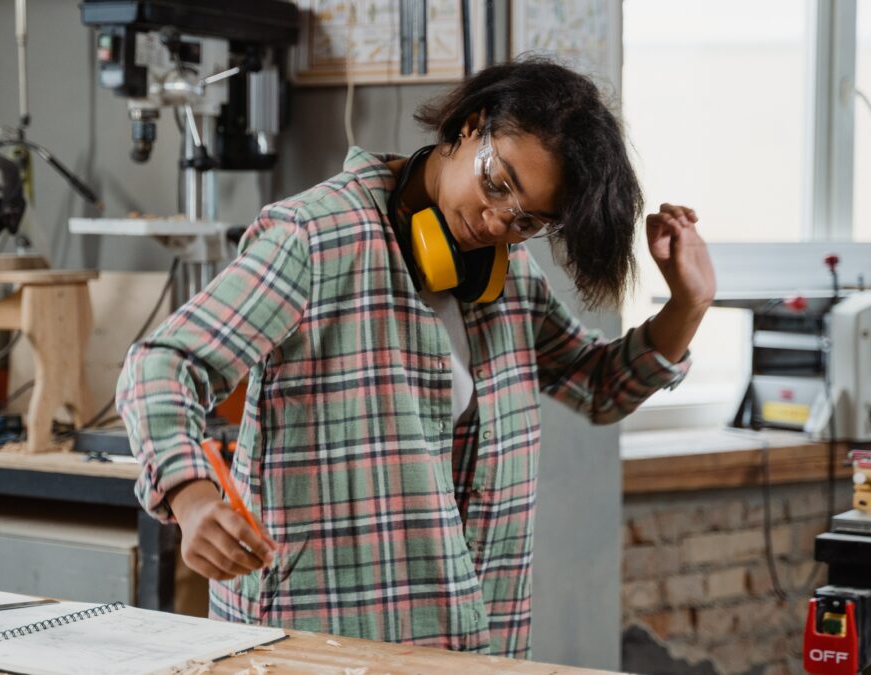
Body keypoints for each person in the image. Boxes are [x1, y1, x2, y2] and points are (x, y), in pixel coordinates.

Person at [117, 56, 716, 659]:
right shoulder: (317, 240)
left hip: (468, 645)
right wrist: (193, 500)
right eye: (497, 182)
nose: (496, 222)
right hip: (320, 641)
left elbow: (599, 385)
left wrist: (688, 303)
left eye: (528, 218)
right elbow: (163, 365)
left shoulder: (510, 280)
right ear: (468, 125)